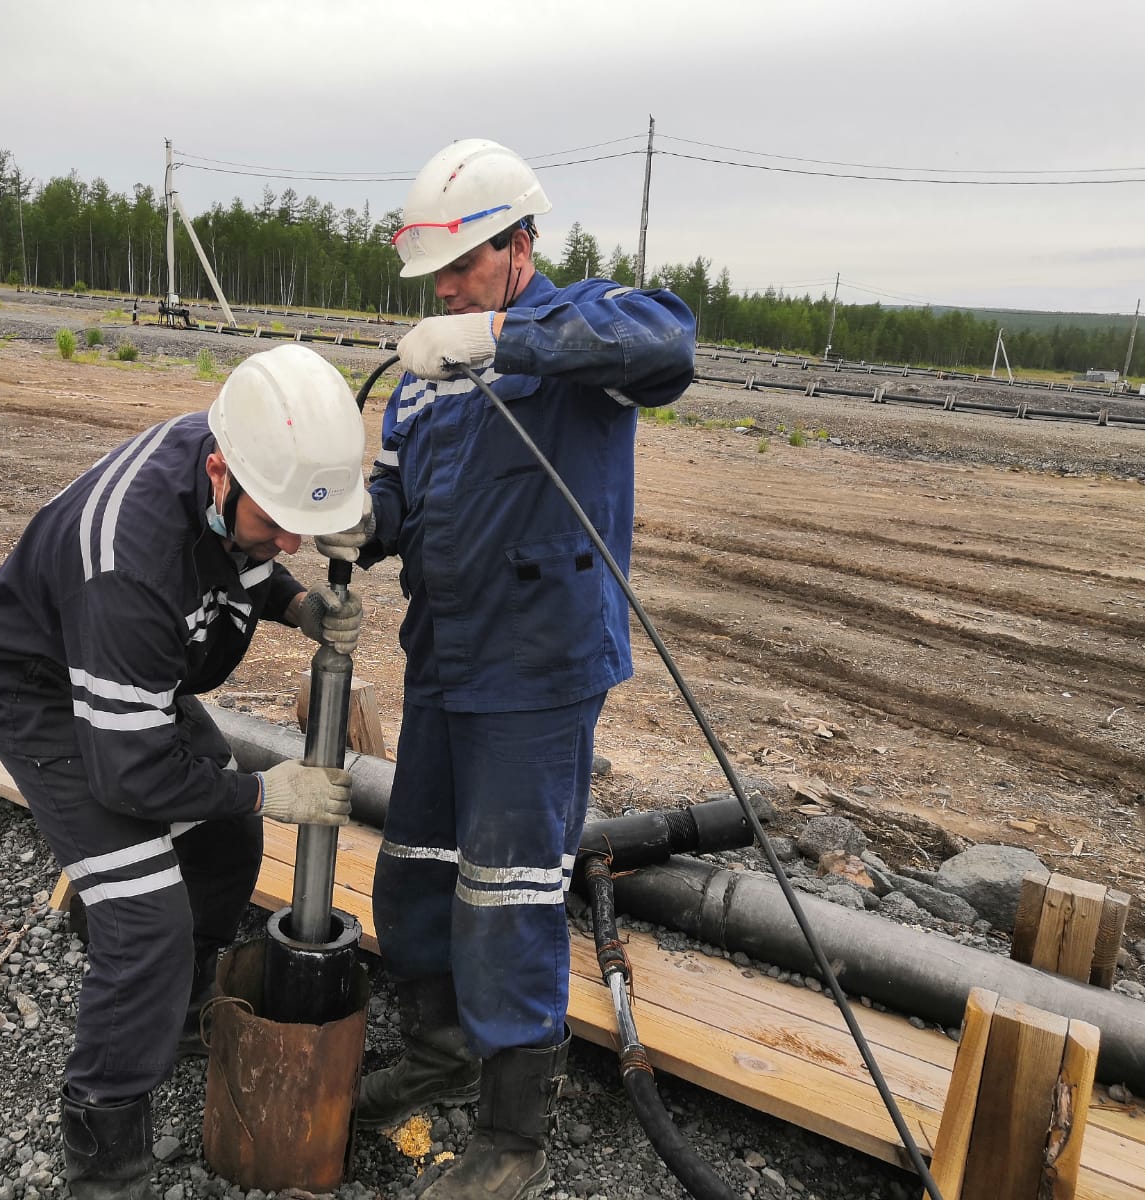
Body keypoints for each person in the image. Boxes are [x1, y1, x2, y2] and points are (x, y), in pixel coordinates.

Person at [318, 138, 697, 1200]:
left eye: (463, 267)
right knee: (421, 868)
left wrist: (500, 334)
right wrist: (355, 522)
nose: (443, 290)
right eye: (435, 275)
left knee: (510, 890)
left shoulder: (585, 326)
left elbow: (670, 345)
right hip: (444, 657)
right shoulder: (422, 385)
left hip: (538, 670)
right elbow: (402, 496)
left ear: (520, 246)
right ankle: (437, 1045)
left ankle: (513, 1133)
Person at [0, 343, 368, 1200]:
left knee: (223, 837)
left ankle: (178, 1017)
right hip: (43, 691)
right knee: (142, 918)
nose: (290, 539)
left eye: (304, 523)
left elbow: (237, 557)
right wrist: (265, 785)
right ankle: (106, 1166)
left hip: (132, 676)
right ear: (219, 473)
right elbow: (132, 776)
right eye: (277, 520)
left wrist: (294, 601)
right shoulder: (127, 568)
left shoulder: (237, 457)